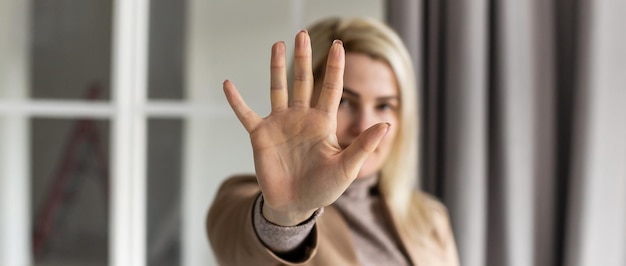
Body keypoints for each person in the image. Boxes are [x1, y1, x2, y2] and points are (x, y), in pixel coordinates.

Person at [207, 17, 459, 265]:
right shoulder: (246, 204)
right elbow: (244, 250)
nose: (363, 126)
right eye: (344, 101)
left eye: (384, 105)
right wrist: (288, 214)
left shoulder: (429, 218)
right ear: (302, 100)